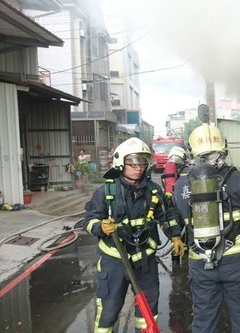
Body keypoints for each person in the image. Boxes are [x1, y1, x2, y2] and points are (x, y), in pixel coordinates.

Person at [172, 123, 240, 333]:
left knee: (204, 319)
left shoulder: (181, 186)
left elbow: (178, 216)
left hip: (201, 264)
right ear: (224, 149)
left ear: (193, 153)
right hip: (238, 263)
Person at [83, 137, 185, 332]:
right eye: (132, 163)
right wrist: (100, 227)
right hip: (115, 261)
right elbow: (89, 221)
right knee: (108, 311)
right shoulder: (106, 192)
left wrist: (175, 235)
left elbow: (167, 213)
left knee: (148, 311)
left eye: (142, 163)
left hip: (145, 261)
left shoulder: (153, 191)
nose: (138, 168)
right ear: (121, 163)